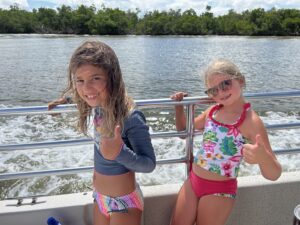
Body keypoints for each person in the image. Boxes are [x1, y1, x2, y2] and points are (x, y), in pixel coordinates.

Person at [169, 59, 282, 225]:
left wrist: (263, 158)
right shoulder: (213, 111)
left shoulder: (251, 121)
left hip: (219, 191)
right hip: (193, 181)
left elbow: (275, 174)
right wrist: (179, 106)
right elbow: (183, 131)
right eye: (213, 91)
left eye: (226, 84)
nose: (221, 93)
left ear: (241, 80)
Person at [60, 40, 156, 225]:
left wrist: (119, 153)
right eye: (80, 80)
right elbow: (87, 94)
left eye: (95, 78)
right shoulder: (98, 106)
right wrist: (65, 99)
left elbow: (149, 164)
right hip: (100, 198)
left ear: (113, 77)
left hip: (123, 204)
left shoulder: (130, 117)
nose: (87, 88)